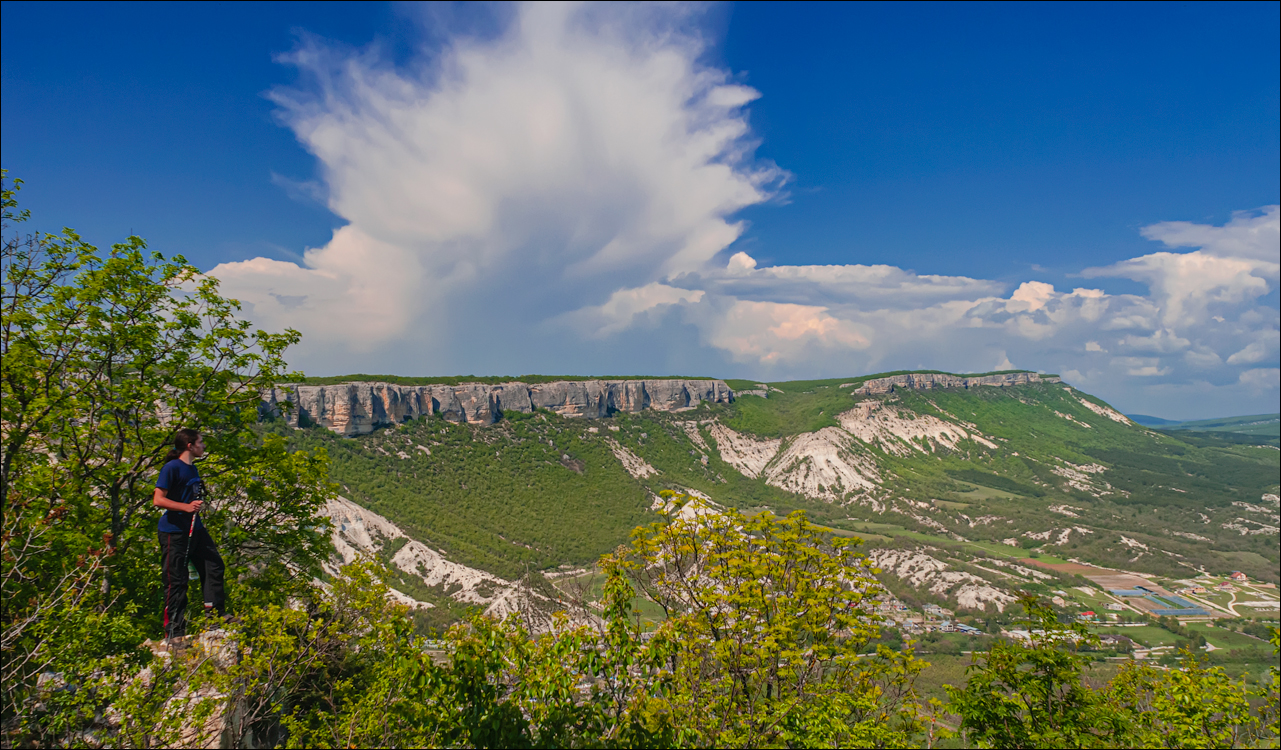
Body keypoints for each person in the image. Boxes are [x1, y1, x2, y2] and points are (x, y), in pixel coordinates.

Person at [153, 428, 225, 640]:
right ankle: (174, 632)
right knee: (176, 580)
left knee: (214, 565)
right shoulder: (171, 468)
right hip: (174, 531)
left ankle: (215, 616)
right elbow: (158, 499)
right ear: (190, 445)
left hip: (195, 528)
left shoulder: (192, 468)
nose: (204, 446)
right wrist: (185, 507)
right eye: (201, 442)